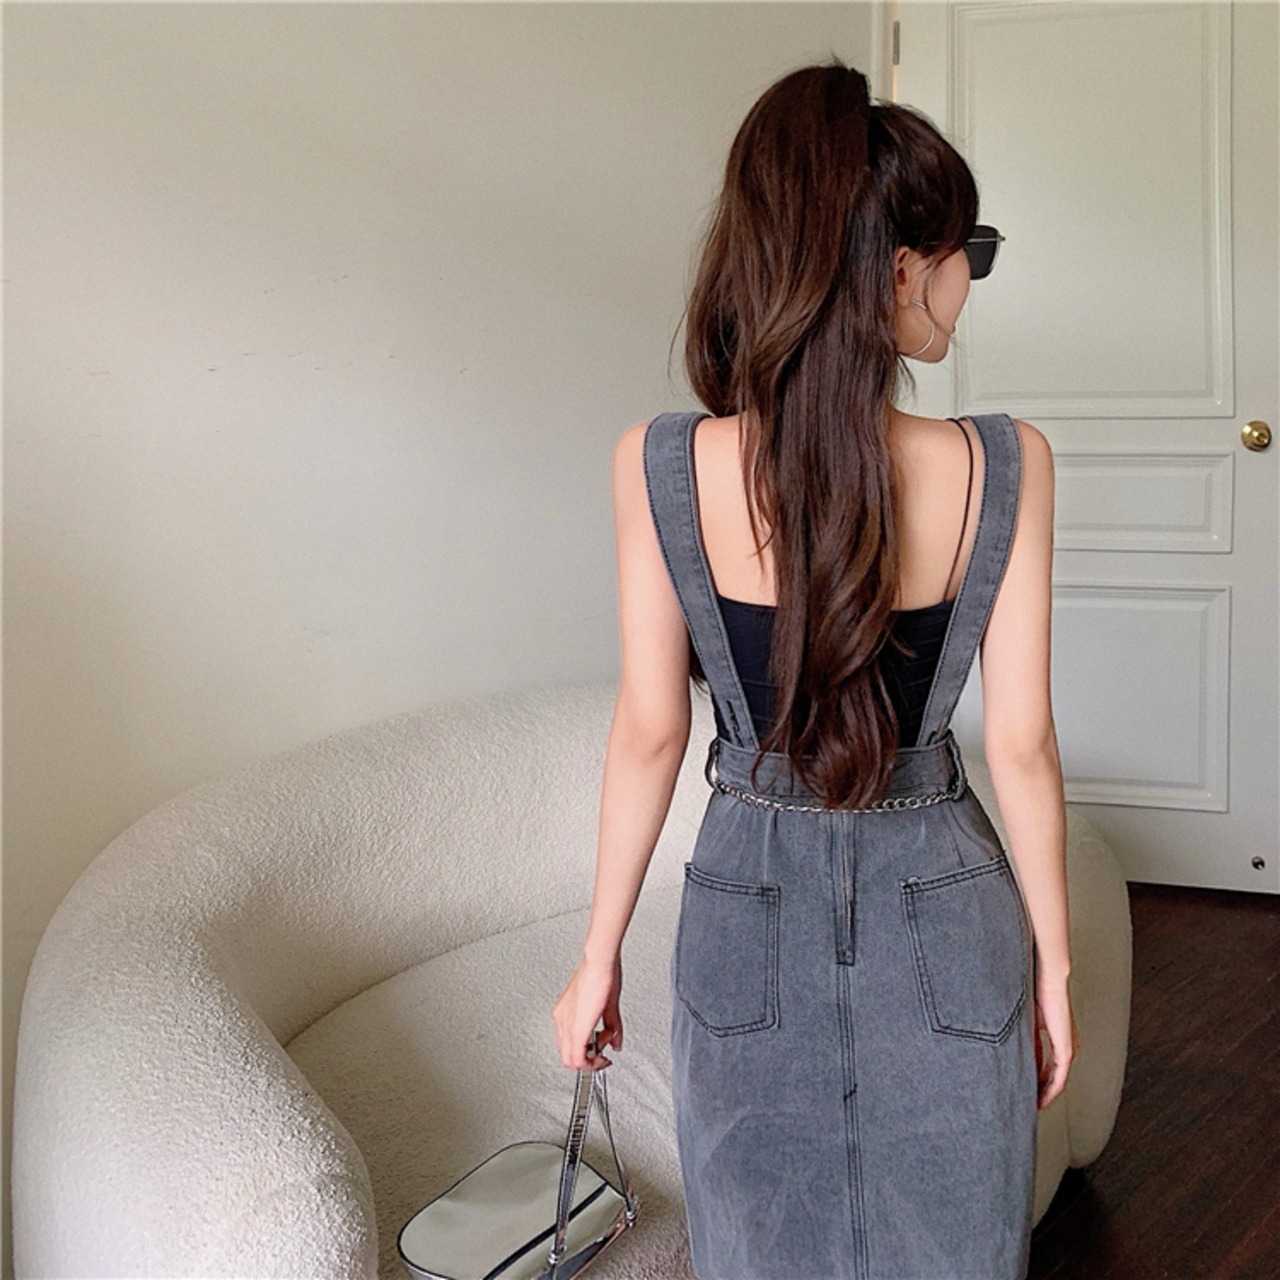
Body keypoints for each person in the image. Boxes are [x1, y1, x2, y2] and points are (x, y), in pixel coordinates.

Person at [552, 57, 1076, 1280]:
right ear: (897, 271)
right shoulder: (1005, 462)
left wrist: (595, 954)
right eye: (966, 252)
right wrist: (1054, 965)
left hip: (745, 906)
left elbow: (649, 730)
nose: (965, 283)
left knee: (755, 1245)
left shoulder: (658, 463)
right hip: (944, 907)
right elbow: (1020, 745)